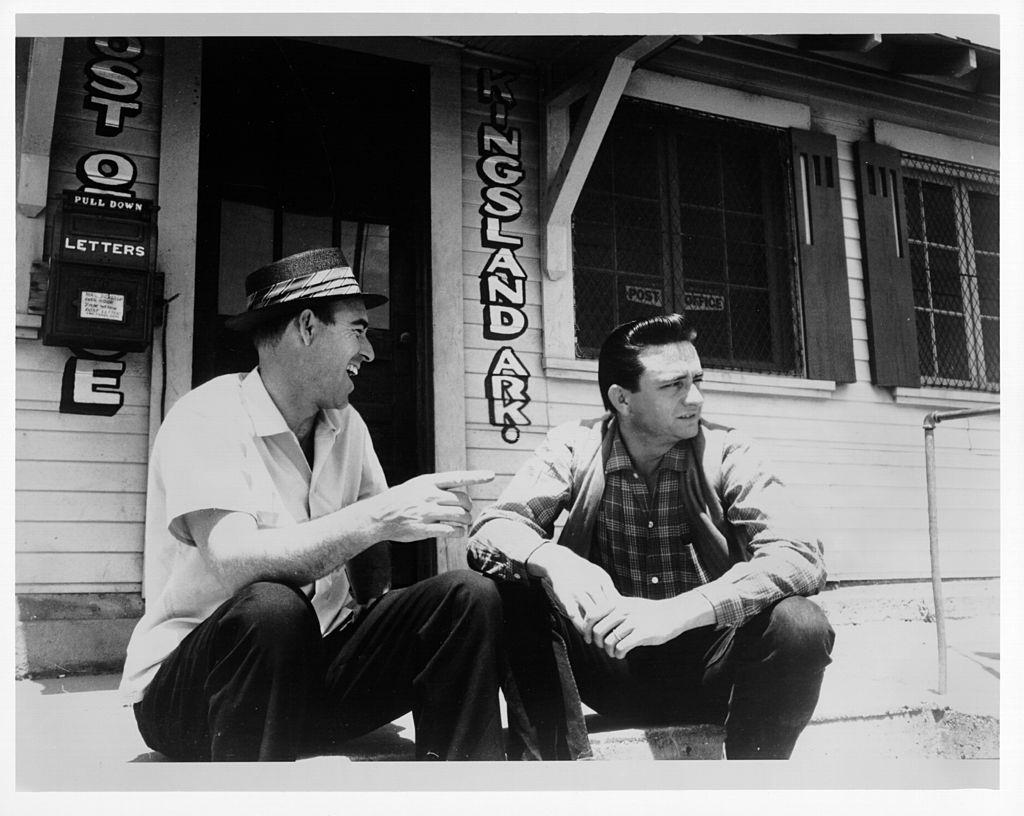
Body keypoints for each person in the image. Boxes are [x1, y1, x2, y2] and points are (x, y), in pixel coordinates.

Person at [119, 247, 510, 761]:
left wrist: (379, 629)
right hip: (198, 695)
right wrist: (379, 517)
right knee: (273, 606)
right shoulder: (206, 417)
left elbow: (372, 557)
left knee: (467, 595)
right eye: (358, 330)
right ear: (306, 326)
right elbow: (235, 562)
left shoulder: (348, 424)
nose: (369, 352)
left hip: (306, 679)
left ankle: (463, 787)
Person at [467, 313, 836, 759]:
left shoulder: (729, 449)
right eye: (673, 385)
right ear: (622, 399)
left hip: (711, 666)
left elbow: (799, 555)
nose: (696, 398)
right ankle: (557, 779)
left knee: (800, 623)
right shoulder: (574, 444)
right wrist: (556, 561)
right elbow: (492, 529)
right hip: (608, 661)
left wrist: (681, 612)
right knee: (514, 589)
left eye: (697, 380)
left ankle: (754, 788)